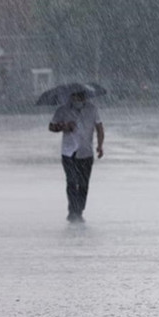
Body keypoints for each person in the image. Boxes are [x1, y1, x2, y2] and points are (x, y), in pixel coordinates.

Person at [48, 89, 104, 222]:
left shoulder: (92, 109)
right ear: (71, 96)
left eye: (81, 96)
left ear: (85, 97)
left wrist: (100, 146)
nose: (78, 99)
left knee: (84, 183)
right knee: (72, 181)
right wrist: (63, 126)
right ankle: (72, 210)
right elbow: (51, 127)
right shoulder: (63, 110)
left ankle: (79, 210)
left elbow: (100, 128)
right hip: (68, 152)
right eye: (75, 96)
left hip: (86, 152)